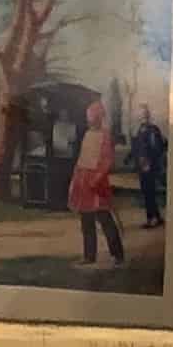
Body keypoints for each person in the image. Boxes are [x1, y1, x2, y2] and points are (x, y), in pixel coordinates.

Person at [68, 98, 127, 268]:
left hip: (97, 183)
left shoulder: (106, 135)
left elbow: (107, 160)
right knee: (86, 220)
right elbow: (82, 158)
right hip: (83, 182)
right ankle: (89, 255)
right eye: (89, 117)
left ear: (99, 117)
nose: (91, 120)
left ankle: (118, 255)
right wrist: (76, 179)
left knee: (105, 219)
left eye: (93, 117)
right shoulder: (87, 135)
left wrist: (97, 178)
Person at [132, 112, 167, 229]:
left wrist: (150, 163)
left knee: (149, 193)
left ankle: (151, 219)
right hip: (143, 166)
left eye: (144, 116)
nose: (142, 118)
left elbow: (157, 148)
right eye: (141, 116)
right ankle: (157, 217)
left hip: (148, 167)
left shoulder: (152, 130)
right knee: (148, 193)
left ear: (148, 117)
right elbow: (137, 147)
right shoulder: (141, 129)